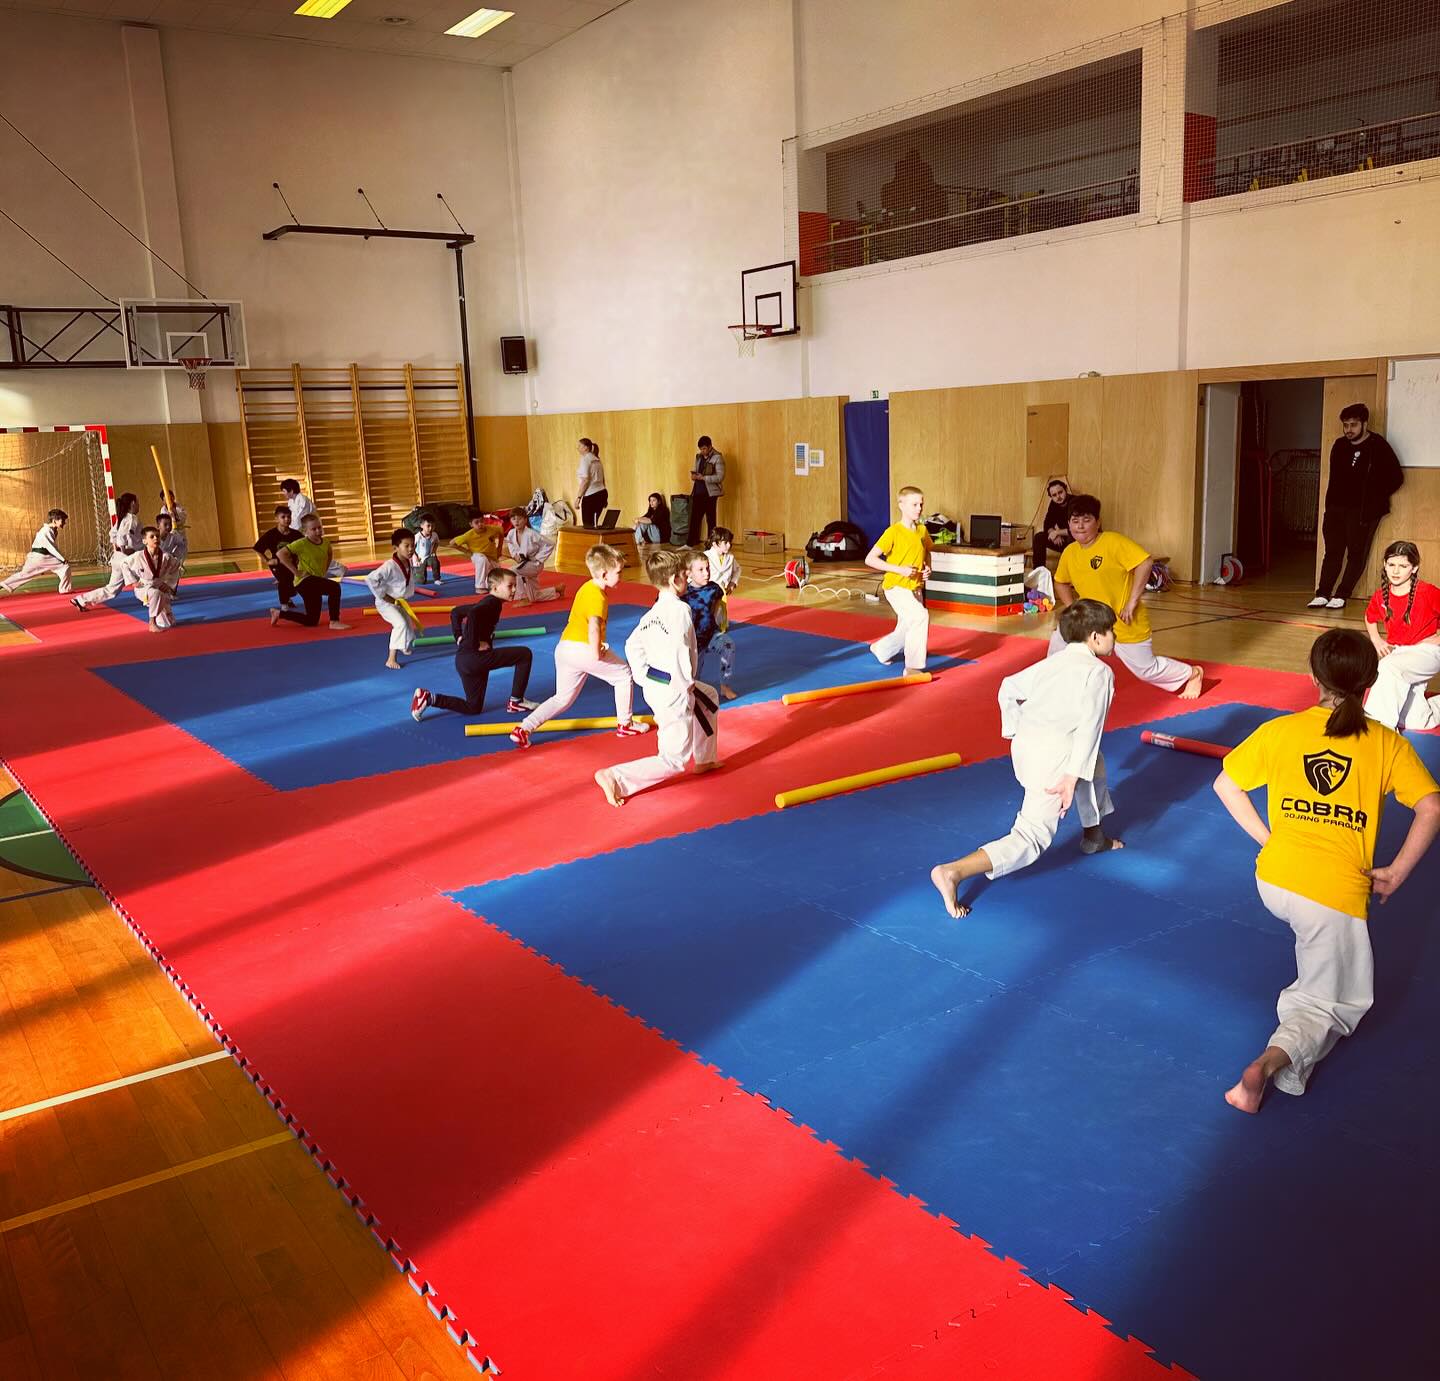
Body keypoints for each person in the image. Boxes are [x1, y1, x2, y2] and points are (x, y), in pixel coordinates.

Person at [1213, 629, 1439, 1113]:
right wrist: (1397, 871)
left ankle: (1291, 1055)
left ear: (1313, 677)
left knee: (1315, 947)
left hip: (1273, 878)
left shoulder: (1280, 730)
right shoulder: (1386, 743)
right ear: (1371, 682)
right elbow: (1432, 807)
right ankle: (1268, 1065)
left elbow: (1225, 786)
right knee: (1335, 1000)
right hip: (1328, 895)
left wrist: (1269, 841)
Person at [930, 599, 1121, 919]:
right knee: (1031, 837)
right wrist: (1070, 778)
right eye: (1111, 630)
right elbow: (1091, 729)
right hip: (1053, 761)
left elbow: (1007, 688)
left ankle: (1094, 835)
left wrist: (1015, 729)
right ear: (1094, 637)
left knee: (1095, 762)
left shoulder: (1053, 663)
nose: (1114, 636)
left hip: (1026, 749)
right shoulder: (1099, 672)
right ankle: (953, 871)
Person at [595, 547, 719, 808]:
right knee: (674, 759)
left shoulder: (650, 614)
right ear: (674, 580)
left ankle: (705, 759)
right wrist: (686, 685)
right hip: (674, 688)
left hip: (657, 683)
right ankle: (615, 777)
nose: (687, 579)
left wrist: (644, 676)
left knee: (709, 696)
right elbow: (683, 650)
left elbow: (631, 645)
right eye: (684, 575)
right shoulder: (680, 610)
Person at [1051, 494, 1203, 699]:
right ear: (1068, 524)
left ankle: (1192, 673)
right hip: (1091, 619)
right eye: (1075, 521)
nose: (1080, 526)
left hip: (1123, 619)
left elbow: (1145, 563)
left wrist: (1132, 602)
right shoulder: (1070, 552)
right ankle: (1052, 685)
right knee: (1060, 639)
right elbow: (1060, 581)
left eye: (1086, 520)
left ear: (1098, 522)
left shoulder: (1113, 541)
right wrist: (1073, 609)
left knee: (1146, 669)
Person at [510, 543, 649, 748]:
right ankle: (625, 724)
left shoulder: (587, 587)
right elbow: (593, 625)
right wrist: (596, 651)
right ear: (604, 574)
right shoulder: (597, 596)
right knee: (623, 675)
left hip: (565, 648)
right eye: (619, 572)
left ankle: (523, 728)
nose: (622, 575)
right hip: (584, 649)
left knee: (562, 698)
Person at [1309, 403, 1403, 610]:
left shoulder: (1378, 445)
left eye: (1353, 425)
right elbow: (1334, 480)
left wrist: (1374, 497)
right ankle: (1323, 593)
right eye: (1346, 425)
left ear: (1364, 424)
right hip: (1336, 509)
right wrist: (1329, 507)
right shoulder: (1339, 445)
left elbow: (1396, 477)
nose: (1349, 430)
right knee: (1332, 552)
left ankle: (1342, 594)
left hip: (1362, 512)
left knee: (1356, 553)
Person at [411, 567, 536, 721]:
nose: (514, 590)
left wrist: (458, 637)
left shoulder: (487, 602)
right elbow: (474, 614)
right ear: (495, 588)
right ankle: (516, 701)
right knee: (524, 654)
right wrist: (474, 643)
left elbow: (456, 612)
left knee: (473, 707)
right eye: (510, 586)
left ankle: (429, 698)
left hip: (465, 661)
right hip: (475, 658)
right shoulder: (493, 603)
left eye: (515, 585)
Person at [1362, 541, 1440, 731]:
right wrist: (1376, 639)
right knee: (1416, 721)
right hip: (1399, 653)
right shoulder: (1381, 595)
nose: (1396, 571)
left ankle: (1377, 728)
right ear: (1385, 564)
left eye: (1403, 566)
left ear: (1414, 568)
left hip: (1427, 652)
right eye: (1391, 564)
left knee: (1387, 668)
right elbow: (1369, 617)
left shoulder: (1428, 592)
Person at [864, 485, 932, 674]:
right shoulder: (893, 532)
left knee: (907, 627)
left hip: (915, 587)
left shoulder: (922, 531)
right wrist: (900, 570)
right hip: (896, 587)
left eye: (921, 504)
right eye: (914, 504)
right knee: (920, 617)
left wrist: (928, 568)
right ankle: (913, 667)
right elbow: (870, 559)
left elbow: (927, 552)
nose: (919, 508)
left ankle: (882, 649)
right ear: (901, 505)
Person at [269, 513, 350, 631]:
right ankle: (334, 621)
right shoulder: (302, 543)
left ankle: (278, 613)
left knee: (311, 620)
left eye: (319, 527)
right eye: (313, 529)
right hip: (304, 581)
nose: (318, 531)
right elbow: (280, 554)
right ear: (305, 531)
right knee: (334, 588)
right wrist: (296, 572)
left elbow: (329, 555)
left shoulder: (325, 542)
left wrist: (323, 571)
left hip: (314, 581)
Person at [683, 548, 738, 701]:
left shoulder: (714, 588)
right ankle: (693, 690)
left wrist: (716, 625)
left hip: (711, 634)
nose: (706, 573)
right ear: (689, 573)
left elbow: (715, 607)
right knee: (694, 677)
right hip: (694, 641)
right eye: (700, 570)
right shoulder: (684, 593)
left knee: (729, 645)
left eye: (707, 568)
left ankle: (725, 685)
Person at [72, 492, 142, 610]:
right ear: (133, 503)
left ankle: (81, 599)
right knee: (147, 576)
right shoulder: (131, 518)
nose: (139, 505)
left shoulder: (122, 518)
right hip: (127, 559)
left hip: (118, 557)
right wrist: (124, 549)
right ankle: (152, 599)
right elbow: (122, 535)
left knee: (112, 589)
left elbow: (112, 534)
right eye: (138, 502)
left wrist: (118, 549)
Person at [365, 527, 418, 671]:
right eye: (406, 546)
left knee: (408, 623)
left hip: (398, 602)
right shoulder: (389, 566)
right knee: (400, 624)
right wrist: (384, 596)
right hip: (385, 603)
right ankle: (391, 658)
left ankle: (403, 646)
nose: (411, 549)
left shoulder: (407, 561)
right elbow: (370, 579)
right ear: (396, 547)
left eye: (413, 545)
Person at [126, 524, 181, 633]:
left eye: (157, 536)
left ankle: (167, 612)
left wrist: (169, 585)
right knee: (156, 593)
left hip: (159, 585)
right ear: (144, 541)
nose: (156, 538)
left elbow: (176, 568)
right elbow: (124, 564)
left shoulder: (165, 556)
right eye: (152, 537)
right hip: (143, 587)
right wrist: (132, 582)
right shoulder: (138, 556)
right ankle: (152, 623)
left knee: (168, 623)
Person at [1, 509, 70, 595]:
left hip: (35, 557)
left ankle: (2, 585)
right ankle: (64, 589)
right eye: (62, 520)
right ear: (54, 520)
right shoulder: (46, 531)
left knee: (23, 575)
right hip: (42, 557)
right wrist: (62, 559)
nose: (64, 522)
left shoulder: (51, 530)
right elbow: (51, 547)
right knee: (64, 567)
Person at [504, 508, 563, 604]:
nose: (516, 522)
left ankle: (523, 598)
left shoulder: (531, 534)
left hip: (534, 564)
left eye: (519, 519)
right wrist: (515, 555)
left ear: (525, 520)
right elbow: (510, 543)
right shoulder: (511, 533)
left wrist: (538, 558)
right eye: (513, 519)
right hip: (524, 564)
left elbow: (550, 544)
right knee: (534, 596)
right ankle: (558, 589)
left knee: (513, 571)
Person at [254, 505, 300, 608]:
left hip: (292, 564)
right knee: (283, 581)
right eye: (283, 517)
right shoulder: (271, 535)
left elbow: (304, 548)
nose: (286, 519)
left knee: (292, 588)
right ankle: (284, 605)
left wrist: (299, 560)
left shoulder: (296, 535)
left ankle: (288, 597)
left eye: (289, 517)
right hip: (277, 564)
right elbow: (258, 548)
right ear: (276, 518)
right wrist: (267, 561)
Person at [686, 436, 726, 544]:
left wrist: (703, 478)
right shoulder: (699, 457)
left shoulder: (717, 457)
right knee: (694, 518)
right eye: (701, 449)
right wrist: (694, 476)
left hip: (710, 494)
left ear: (710, 446)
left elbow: (720, 477)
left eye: (704, 448)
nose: (702, 451)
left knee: (710, 519)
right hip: (698, 492)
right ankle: (690, 543)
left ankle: (711, 544)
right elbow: (696, 470)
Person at [1032, 477, 1073, 573]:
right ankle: (1039, 572)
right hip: (1062, 540)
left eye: (1060, 492)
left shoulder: (1075, 502)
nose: (1058, 497)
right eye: (1054, 495)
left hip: (1076, 541)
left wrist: (1058, 532)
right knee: (1039, 537)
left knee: (1072, 539)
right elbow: (1047, 523)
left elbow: (1079, 529)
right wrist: (1053, 534)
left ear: (1066, 489)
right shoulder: (1054, 504)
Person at [453, 513, 502, 594]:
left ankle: (487, 583)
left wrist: (499, 548)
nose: (480, 524)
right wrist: (467, 552)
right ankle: (479, 587)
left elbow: (501, 531)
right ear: (471, 524)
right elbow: (452, 543)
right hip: (478, 556)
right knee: (482, 559)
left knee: (499, 580)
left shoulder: (492, 529)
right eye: (476, 522)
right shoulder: (468, 535)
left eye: (482, 521)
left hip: (492, 558)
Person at [576, 438, 609, 528]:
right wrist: (604, 498)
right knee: (594, 523)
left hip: (591, 495)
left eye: (579, 446)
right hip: (602, 493)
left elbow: (585, 480)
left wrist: (578, 498)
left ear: (586, 448)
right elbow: (603, 479)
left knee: (588, 526)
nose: (577, 448)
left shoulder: (585, 459)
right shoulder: (597, 459)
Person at [705, 527, 742, 595]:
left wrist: (733, 582)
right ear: (714, 544)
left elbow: (737, 569)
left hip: (723, 591)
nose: (729, 545)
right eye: (725, 542)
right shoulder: (705, 556)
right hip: (707, 591)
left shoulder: (730, 557)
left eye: (729, 542)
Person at [157, 511, 187, 590]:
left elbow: (183, 545)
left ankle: (171, 589)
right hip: (155, 564)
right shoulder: (153, 537)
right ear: (158, 526)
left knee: (176, 565)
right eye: (165, 524)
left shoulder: (173, 536)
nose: (168, 527)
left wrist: (175, 555)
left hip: (167, 562)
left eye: (170, 524)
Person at [413, 514, 443, 585]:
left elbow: (436, 543)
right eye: (428, 526)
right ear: (421, 526)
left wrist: (434, 551)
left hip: (429, 557)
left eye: (433, 526)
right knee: (421, 582)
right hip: (419, 559)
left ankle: (437, 579)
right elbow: (412, 547)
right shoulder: (417, 537)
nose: (431, 528)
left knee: (435, 561)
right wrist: (415, 557)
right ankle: (414, 575)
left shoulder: (434, 535)